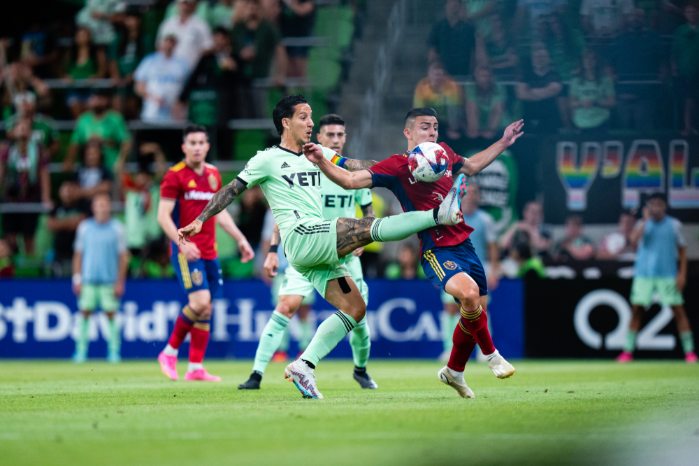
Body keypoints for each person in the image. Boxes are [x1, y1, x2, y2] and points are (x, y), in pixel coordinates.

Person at [177, 95, 469, 399]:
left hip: (314, 249)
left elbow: (362, 167)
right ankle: (438, 215)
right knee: (365, 226)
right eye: (304, 117)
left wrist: (408, 165)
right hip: (301, 235)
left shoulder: (319, 153)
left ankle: (304, 365)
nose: (311, 123)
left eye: (311, 116)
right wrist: (200, 219)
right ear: (286, 122)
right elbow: (232, 189)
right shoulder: (267, 159)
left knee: (355, 309)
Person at [303, 106, 524, 399]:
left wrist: (504, 142)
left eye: (434, 126)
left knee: (473, 311)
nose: (431, 131)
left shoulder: (444, 155)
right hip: (435, 247)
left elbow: (471, 166)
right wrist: (321, 161)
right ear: (408, 132)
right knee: (469, 296)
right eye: (424, 126)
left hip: (465, 244)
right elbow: (351, 180)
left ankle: (454, 371)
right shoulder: (397, 166)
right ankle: (492, 356)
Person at [238, 113, 378, 391]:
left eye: (341, 135)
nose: (336, 140)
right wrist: (274, 250)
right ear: (320, 139)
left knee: (358, 319)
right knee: (285, 306)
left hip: (346, 256)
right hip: (309, 249)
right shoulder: (305, 170)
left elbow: (369, 211)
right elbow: (284, 213)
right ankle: (256, 375)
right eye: (331, 135)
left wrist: (364, 235)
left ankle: (360, 370)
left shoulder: (350, 174)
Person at [157, 125, 255, 382]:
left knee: (207, 308)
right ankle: (169, 352)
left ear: (207, 146)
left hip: (210, 252)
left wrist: (241, 239)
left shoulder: (213, 174)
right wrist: (182, 243)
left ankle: (195, 367)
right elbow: (162, 216)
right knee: (199, 302)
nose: (197, 147)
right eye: (192, 142)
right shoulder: (174, 175)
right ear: (184, 147)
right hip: (186, 251)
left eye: (202, 142)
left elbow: (219, 212)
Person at [617, 193, 696, 364]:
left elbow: (682, 251)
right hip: (644, 275)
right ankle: (627, 351)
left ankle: (689, 352)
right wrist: (644, 222)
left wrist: (682, 274)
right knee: (637, 310)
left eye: (658, 205)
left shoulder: (674, 225)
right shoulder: (642, 224)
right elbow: (632, 240)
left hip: (667, 275)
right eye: (652, 204)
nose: (655, 208)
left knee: (679, 311)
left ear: (664, 206)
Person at [440, 182, 500, 361]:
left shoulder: (485, 219)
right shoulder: (450, 215)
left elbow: (492, 246)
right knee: (451, 309)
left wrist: (493, 270)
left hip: (478, 268)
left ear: (478, 196)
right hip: (453, 269)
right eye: (468, 191)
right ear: (461, 194)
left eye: (475, 192)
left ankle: (484, 351)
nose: (471, 195)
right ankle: (449, 350)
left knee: (480, 309)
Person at [72, 193, 129, 363]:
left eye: (105, 204)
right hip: (88, 280)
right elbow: (78, 254)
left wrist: (120, 281)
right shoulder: (84, 227)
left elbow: (124, 257)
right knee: (84, 314)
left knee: (111, 315)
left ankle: (114, 352)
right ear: (93, 207)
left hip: (109, 281)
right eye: (99, 204)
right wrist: (77, 278)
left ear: (109, 207)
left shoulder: (118, 228)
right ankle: (80, 352)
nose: (102, 207)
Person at [0, 117, 51, 256]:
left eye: (26, 127)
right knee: (10, 239)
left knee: (29, 238)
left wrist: (46, 197)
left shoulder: (39, 149)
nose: (22, 129)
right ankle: (11, 271)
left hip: (31, 199)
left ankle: (29, 271)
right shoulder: (7, 149)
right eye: (19, 126)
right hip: (11, 199)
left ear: (30, 131)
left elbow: (44, 173)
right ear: (14, 131)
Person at [231, 0, 288, 118]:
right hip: (240, 78)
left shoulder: (267, 28)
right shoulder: (238, 28)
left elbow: (280, 50)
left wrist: (281, 73)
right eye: (249, 6)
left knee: (260, 112)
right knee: (242, 113)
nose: (252, 9)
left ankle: (267, 134)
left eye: (255, 6)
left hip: (260, 75)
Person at [609, 8, 662, 132]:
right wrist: (611, 74)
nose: (635, 19)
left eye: (639, 16)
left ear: (644, 19)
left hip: (646, 95)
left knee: (644, 133)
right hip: (622, 94)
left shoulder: (653, 37)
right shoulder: (619, 38)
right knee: (623, 133)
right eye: (633, 16)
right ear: (628, 18)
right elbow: (608, 63)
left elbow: (663, 61)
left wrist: (661, 78)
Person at [63, 89, 132, 172]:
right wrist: (69, 160)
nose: (95, 101)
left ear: (105, 100)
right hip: (89, 168)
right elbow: (75, 142)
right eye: (93, 98)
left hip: (111, 167)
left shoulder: (116, 118)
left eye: (98, 98)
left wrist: (121, 162)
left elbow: (127, 142)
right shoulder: (83, 119)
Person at [134, 34, 190, 122]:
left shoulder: (183, 64)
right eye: (166, 42)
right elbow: (138, 87)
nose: (168, 45)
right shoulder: (149, 61)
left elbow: (188, 88)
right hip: (151, 114)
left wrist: (180, 103)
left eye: (171, 43)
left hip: (175, 116)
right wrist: (153, 98)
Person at [62, 27, 108, 119]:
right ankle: (82, 132)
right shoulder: (70, 53)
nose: (81, 38)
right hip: (74, 89)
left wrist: (96, 77)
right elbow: (62, 71)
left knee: (89, 115)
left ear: (89, 37)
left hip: (91, 89)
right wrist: (65, 77)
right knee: (77, 113)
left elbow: (103, 71)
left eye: (84, 35)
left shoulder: (97, 53)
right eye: (79, 35)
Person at [47, 181, 91, 277]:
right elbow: (51, 225)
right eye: (65, 190)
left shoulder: (83, 205)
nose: (68, 193)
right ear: (60, 192)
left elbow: (85, 222)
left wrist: (61, 223)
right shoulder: (56, 207)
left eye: (70, 190)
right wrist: (73, 221)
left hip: (79, 253)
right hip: (60, 252)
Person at [516, 45, 563, 134]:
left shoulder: (553, 73)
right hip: (528, 117)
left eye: (542, 57)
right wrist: (543, 93)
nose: (539, 59)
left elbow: (555, 89)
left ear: (548, 59)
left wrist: (532, 91)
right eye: (537, 57)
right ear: (532, 58)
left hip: (549, 117)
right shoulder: (526, 73)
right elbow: (521, 93)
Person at [413, 61, 463, 142]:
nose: (437, 78)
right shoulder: (421, 86)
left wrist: (453, 128)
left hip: (448, 122)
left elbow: (454, 111)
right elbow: (419, 112)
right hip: (430, 122)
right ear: (429, 74)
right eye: (435, 75)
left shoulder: (452, 86)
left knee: (454, 135)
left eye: (439, 75)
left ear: (444, 75)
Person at [156, 0, 214, 69]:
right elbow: (159, 47)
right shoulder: (167, 24)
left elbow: (209, 47)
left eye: (188, 4)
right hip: (169, 71)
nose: (185, 7)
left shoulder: (202, 25)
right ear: (177, 5)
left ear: (194, 6)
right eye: (183, 3)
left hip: (192, 71)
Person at [569, 51, 616, 133]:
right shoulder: (575, 81)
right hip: (581, 123)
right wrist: (581, 104)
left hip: (601, 122)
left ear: (597, 61)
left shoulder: (606, 80)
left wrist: (596, 103)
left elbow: (612, 102)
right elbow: (571, 103)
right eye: (586, 58)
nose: (589, 61)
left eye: (592, 58)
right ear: (582, 61)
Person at [428, 0, 477, 78]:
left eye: (456, 2)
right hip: (444, 78)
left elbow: (473, 54)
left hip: (464, 76)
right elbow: (432, 53)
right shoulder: (437, 28)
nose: (453, 4)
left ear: (460, 5)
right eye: (450, 1)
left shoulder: (469, 28)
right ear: (445, 5)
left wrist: (472, 74)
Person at [4, 91, 60, 158]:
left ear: (35, 103)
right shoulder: (12, 121)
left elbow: (56, 143)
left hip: (40, 162)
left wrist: (45, 155)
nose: (24, 104)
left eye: (28, 100)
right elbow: (9, 139)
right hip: (17, 160)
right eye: (21, 101)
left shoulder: (47, 121)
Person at [672, 4, 699, 136]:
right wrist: (674, 67)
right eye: (688, 11)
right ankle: (687, 128)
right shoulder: (680, 30)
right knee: (688, 101)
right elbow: (674, 51)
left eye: (694, 11)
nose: (691, 13)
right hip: (685, 72)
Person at [466, 65, 510, 141]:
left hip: (498, 124)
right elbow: (471, 110)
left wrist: (491, 130)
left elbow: (497, 111)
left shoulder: (499, 88)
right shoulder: (470, 88)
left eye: (487, 76)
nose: (484, 79)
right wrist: (474, 130)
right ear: (476, 77)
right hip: (477, 122)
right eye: (481, 76)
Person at [279, 0, 315, 78]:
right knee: (288, 72)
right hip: (286, 37)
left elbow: (302, 11)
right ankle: (290, 90)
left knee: (300, 71)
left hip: (301, 38)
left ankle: (303, 89)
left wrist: (289, 3)